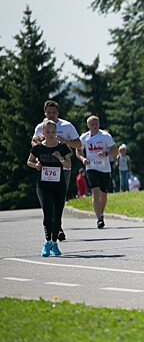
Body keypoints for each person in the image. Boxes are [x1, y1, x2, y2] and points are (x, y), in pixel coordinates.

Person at [32, 100, 81, 241]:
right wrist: (40, 142)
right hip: (46, 168)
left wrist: (63, 141)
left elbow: (78, 144)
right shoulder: (40, 127)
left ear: (58, 113)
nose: (51, 115)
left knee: (59, 197)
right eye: (49, 112)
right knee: (48, 199)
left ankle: (57, 225)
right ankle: (56, 229)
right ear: (45, 112)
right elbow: (34, 145)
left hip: (63, 167)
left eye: (54, 112)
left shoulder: (66, 126)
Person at [27, 119, 72, 256]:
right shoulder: (38, 148)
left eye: (53, 131)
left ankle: (54, 243)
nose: (51, 134)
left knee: (57, 214)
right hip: (43, 185)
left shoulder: (62, 147)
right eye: (48, 131)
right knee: (48, 212)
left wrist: (60, 158)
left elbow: (69, 165)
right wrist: (36, 165)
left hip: (59, 185)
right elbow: (29, 161)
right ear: (43, 132)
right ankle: (47, 243)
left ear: (56, 132)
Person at [76, 116, 117, 229]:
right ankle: (99, 218)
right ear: (88, 125)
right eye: (92, 124)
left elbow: (115, 149)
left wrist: (105, 153)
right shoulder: (84, 137)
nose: (95, 126)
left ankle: (101, 214)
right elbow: (78, 151)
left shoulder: (105, 136)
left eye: (96, 123)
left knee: (103, 194)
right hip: (91, 167)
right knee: (95, 191)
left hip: (105, 168)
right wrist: (83, 159)